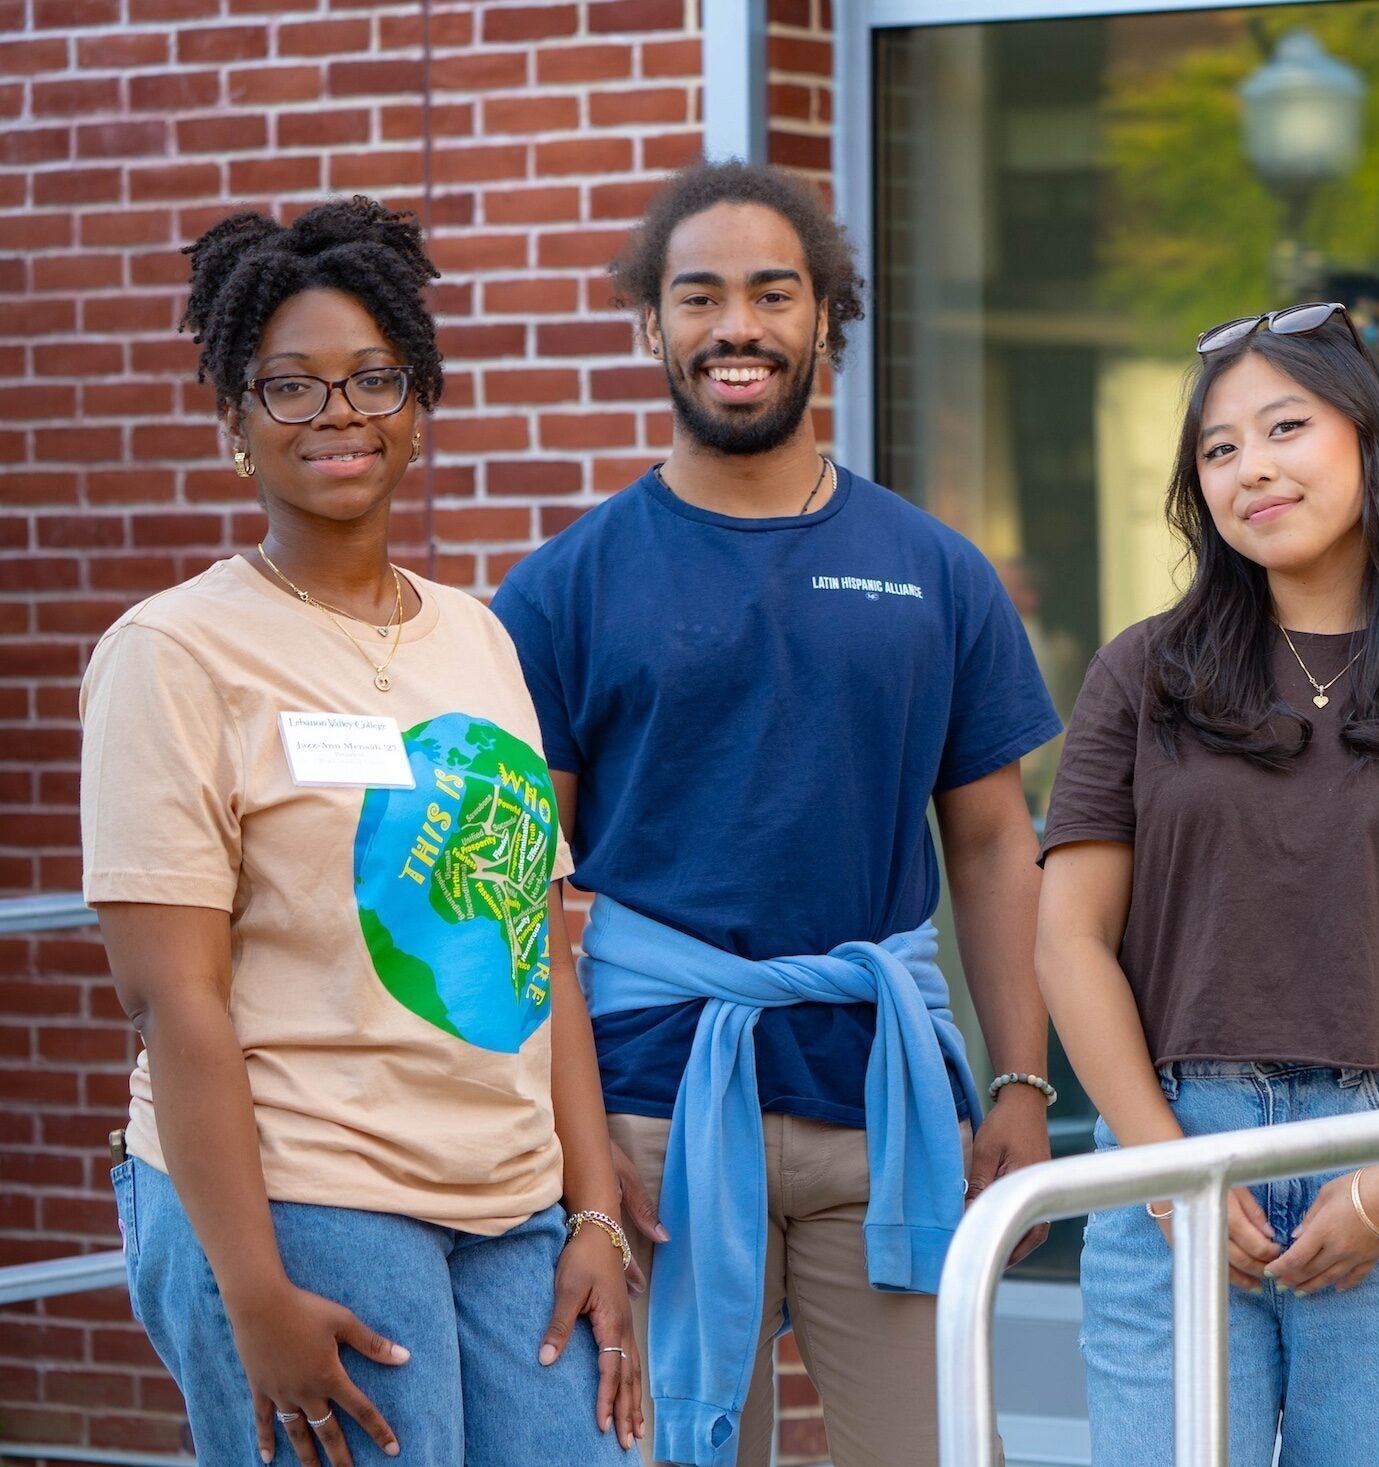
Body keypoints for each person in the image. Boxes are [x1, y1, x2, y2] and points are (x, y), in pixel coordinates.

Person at [492, 160, 1062, 1467]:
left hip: (889, 1107)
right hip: (649, 1118)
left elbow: (989, 844)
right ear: (651, 327)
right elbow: (516, 889)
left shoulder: (935, 570)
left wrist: (1020, 1083)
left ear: (824, 324)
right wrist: (573, 1150)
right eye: (697, 296)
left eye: (771, 293)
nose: (734, 325)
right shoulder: (562, 588)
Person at [79, 198, 642, 1467]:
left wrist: (594, 1217)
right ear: (233, 422)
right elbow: (177, 1004)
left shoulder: (477, 638)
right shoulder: (173, 656)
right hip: (304, 1193)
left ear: (418, 406)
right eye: (289, 388)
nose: (338, 411)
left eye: (373, 378)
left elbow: (537, 952)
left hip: (508, 1206)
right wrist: (249, 1290)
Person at [1034, 301, 1379, 1464]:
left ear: (1365, 441)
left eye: (1284, 427)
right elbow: (1069, 942)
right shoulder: (1143, 675)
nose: (1254, 469)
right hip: (1172, 1144)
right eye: (1219, 448)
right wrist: (1159, 1171)